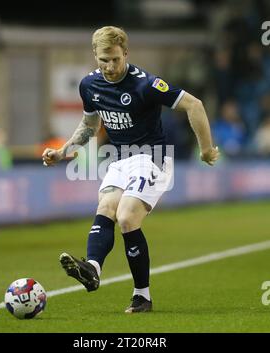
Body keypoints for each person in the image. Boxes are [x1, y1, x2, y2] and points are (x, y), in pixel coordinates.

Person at [42, 26, 219, 313]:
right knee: (107, 207)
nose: (110, 67)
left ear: (125, 53)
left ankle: (142, 296)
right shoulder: (89, 85)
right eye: (103, 60)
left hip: (153, 158)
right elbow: (90, 125)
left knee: (126, 217)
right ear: (95, 56)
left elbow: (194, 104)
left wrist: (207, 148)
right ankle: (93, 269)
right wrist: (63, 151)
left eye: (115, 59)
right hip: (120, 159)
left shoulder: (145, 84)